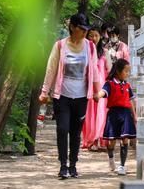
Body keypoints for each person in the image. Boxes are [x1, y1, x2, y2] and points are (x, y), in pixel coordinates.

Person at [39, 13, 100, 179]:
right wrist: (45, 92)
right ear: (72, 27)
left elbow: (94, 71)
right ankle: (63, 165)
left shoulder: (90, 47)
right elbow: (51, 69)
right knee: (62, 129)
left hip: (81, 97)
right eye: (81, 29)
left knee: (75, 132)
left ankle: (73, 165)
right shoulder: (60, 46)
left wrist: (96, 91)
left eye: (86, 30)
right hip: (62, 96)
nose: (84, 33)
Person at [95, 59, 137, 175]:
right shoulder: (110, 83)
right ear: (118, 71)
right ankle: (111, 157)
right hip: (113, 114)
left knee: (125, 140)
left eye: (129, 71)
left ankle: (122, 166)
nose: (128, 74)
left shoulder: (127, 85)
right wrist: (97, 95)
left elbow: (131, 101)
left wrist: (134, 116)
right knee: (111, 142)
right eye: (126, 71)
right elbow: (103, 92)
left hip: (126, 115)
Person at [81, 26, 110, 151]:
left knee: (101, 113)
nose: (93, 38)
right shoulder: (83, 51)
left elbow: (109, 69)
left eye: (96, 35)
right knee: (89, 114)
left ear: (100, 37)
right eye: (91, 35)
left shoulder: (104, 52)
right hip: (87, 86)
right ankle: (91, 140)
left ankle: (99, 139)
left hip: (101, 87)